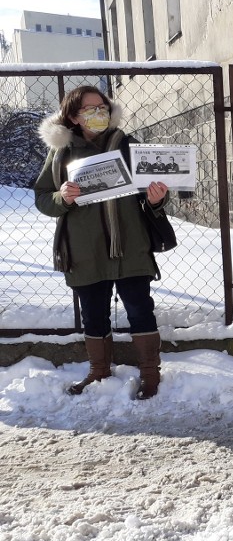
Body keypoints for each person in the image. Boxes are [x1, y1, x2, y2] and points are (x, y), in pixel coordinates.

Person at [34, 85, 170, 400]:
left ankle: (150, 373)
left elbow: (153, 191)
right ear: (73, 116)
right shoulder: (60, 153)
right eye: (90, 110)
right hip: (84, 250)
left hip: (130, 244)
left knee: (140, 308)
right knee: (94, 313)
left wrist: (156, 199)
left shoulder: (125, 144)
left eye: (102, 108)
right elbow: (42, 198)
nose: (99, 115)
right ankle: (98, 371)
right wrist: (61, 197)